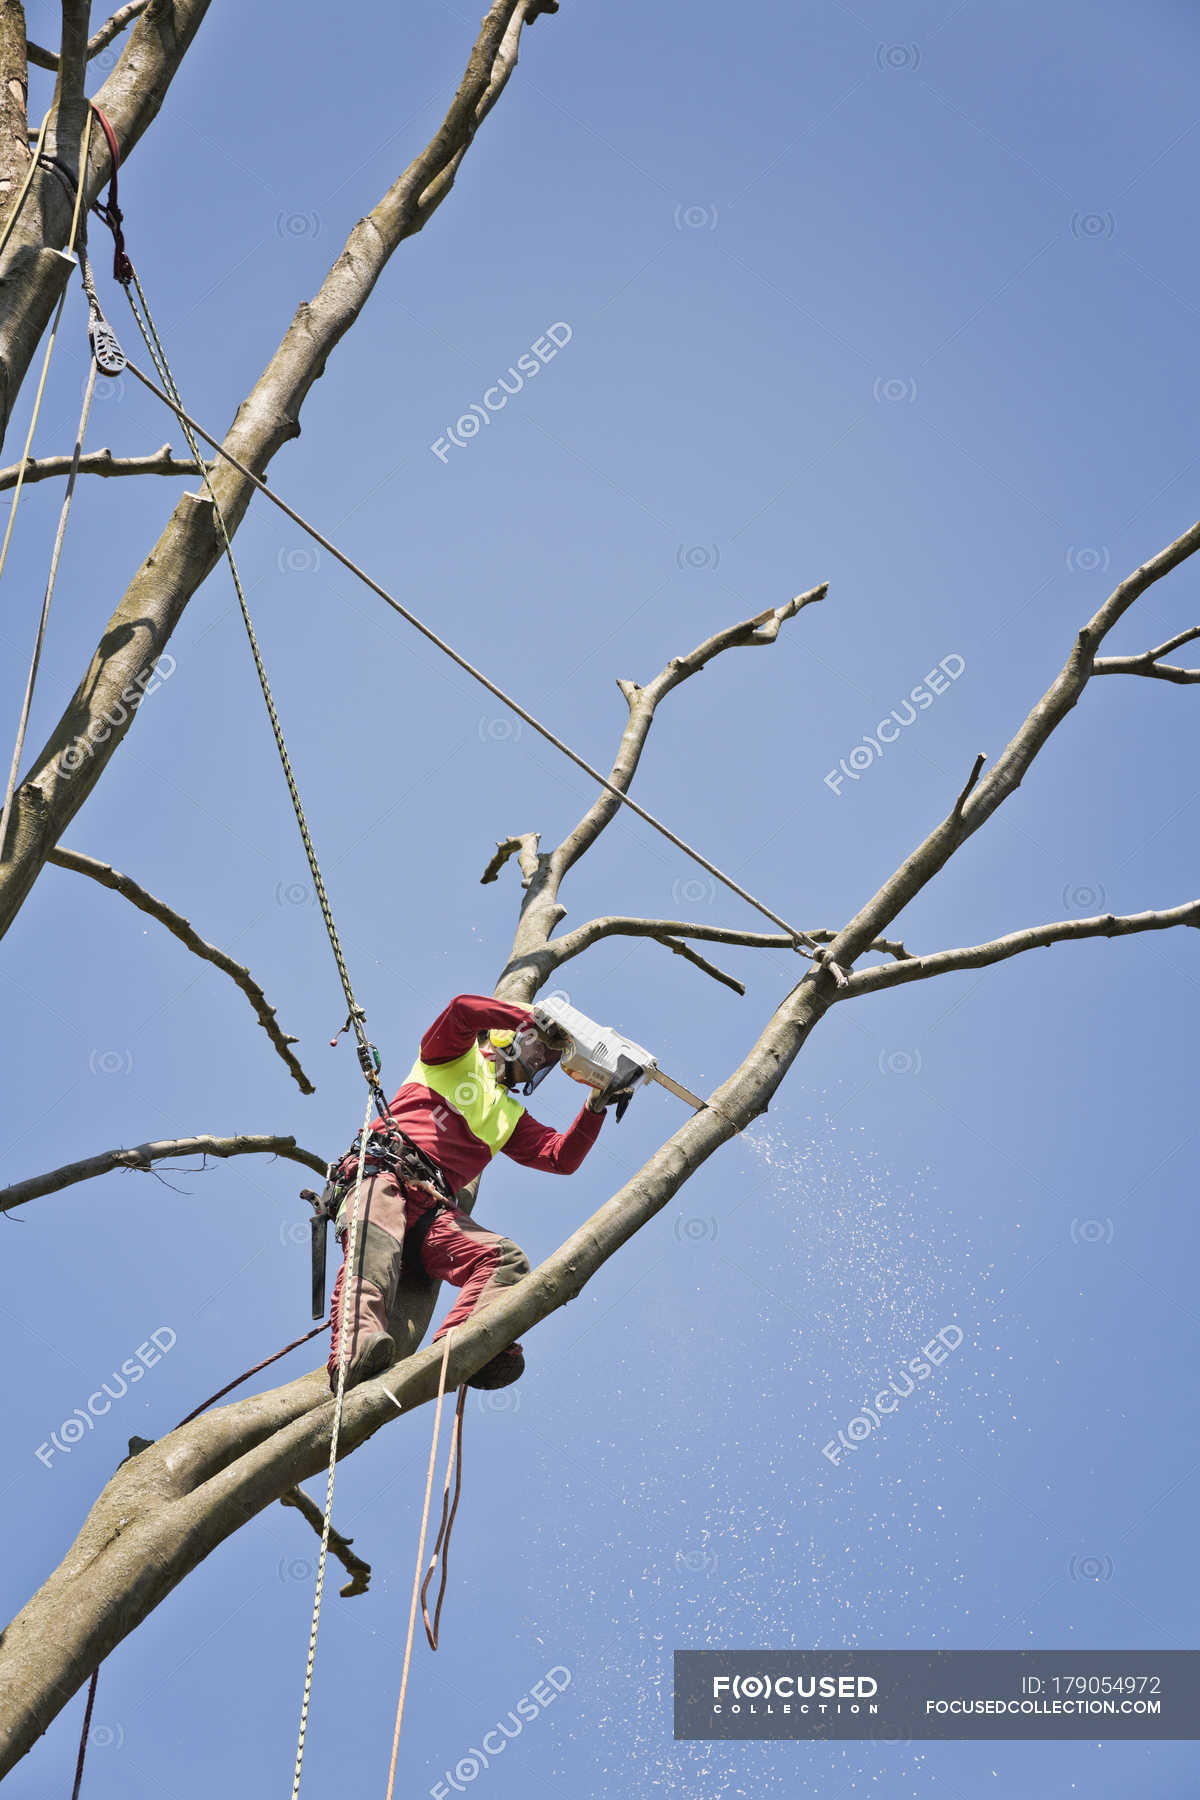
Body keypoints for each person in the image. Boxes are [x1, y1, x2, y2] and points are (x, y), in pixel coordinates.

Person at [326, 994, 608, 1393]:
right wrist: (534, 1015)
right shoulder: (452, 1057)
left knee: (504, 1259)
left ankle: (466, 1345)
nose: (540, 1062)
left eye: (548, 1060)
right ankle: (355, 1350)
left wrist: (597, 1103)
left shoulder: (510, 1116)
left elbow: (560, 1157)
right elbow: (461, 1010)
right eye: (539, 1048)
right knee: (375, 1252)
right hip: (383, 1174)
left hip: (430, 1212)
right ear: (507, 1035)